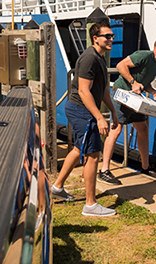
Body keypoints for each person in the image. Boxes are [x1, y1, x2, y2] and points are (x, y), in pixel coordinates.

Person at [51, 21, 120, 217]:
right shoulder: (89, 58)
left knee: (77, 149)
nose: (111, 39)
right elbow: (83, 90)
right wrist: (99, 117)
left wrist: (113, 112)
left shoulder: (100, 57)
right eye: (107, 36)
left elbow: (103, 88)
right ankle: (90, 205)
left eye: (112, 36)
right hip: (81, 110)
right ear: (95, 38)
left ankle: (57, 187)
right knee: (93, 154)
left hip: (82, 109)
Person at [98, 37, 156, 185]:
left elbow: (146, 84)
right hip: (121, 95)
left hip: (136, 100)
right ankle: (104, 170)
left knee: (143, 129)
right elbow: (121, 65)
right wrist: (133, 82)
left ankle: (145, 168)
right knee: (116, 129)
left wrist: (153, 92)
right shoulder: (144, 55)